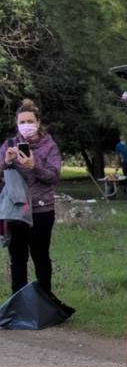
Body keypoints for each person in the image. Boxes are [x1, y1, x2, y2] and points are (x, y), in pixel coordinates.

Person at [2, 99, 61, 293]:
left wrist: (34, 167)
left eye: (29, 121)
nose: (26, 125)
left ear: (38, 122)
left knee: (40, 256)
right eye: (22, 122)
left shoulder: (49, 146)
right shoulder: (9, 144)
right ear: (17, 124)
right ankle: (19, 302)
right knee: (18, 259)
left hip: (41, 209)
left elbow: (53, 177)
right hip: (16, 210)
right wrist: (6, 163)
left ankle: (44, 301)